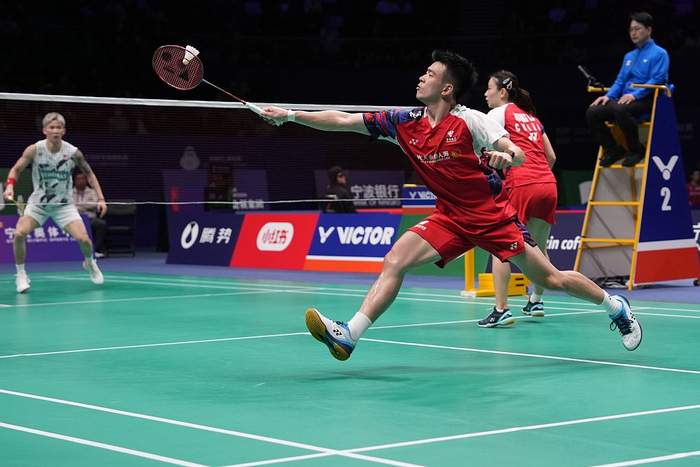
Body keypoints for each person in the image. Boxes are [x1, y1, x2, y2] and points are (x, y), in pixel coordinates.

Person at [260, 49, 642, 360]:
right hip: (450, 218)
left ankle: (615, 307)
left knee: (550, 279)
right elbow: (343, 120)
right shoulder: (403, 123)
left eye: (429, 74)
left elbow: (517, 152)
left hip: (493, 218)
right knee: (395, 260)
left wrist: (506, 157)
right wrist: (290, 115)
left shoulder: (471, 121)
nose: (420, 77)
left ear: (446, 88)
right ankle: (349, 335)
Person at [480, 70, 558, 327]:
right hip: (548, 184)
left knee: (500, 247)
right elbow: (551, 156)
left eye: (489, 88)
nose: (485, 93)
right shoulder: (533, 118)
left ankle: (501, 309)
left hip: (521, 183)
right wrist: (538, 177)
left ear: (502, 92)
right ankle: (536, 300)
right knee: (539, 247)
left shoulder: (497, 113)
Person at [3, 112, 106, 293]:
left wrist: (101, 198)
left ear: (64, 131)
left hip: (63, 204)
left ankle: (90, 263)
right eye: (52, 127)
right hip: (39, 204)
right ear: (45, 130)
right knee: (19, 234)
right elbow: (16, 169)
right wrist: (10, 186)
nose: (55, 131)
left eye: (59, 127)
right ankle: (21, 274)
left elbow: (89, 174)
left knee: (84, 239)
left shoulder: (73, 152)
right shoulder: (34, 150)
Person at [586, 12, 670, 168]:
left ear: (649, 30)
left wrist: (635, 95)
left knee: (620, 109)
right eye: (631, 29)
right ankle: (613, 149)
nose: (633, 33)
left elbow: (656, 80)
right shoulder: (629, 56)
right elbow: (620, 81)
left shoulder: (660, 53)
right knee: (593, 112)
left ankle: (636, 149)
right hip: (626, 99)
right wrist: (608, 96)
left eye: (637, 29)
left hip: (648, 98)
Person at [73, 171, 107, 258]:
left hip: (90, 218)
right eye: (79, 179)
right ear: (75, 181)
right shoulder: (70, 192)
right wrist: (85, 206)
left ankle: (95, 250)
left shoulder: (93, 192)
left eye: (83, 178)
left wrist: (78, 205)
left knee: (101, 224)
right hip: (75, 219)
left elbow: (94, 204)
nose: (81, 181)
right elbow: (69, 206)